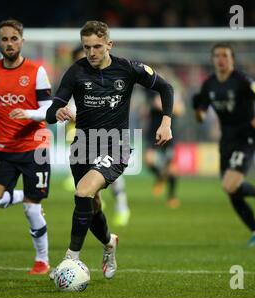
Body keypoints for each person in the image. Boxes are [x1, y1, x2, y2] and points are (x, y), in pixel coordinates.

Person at [45, 21, 174, 279]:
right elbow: (51, 111)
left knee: (82, 192)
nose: (91, 52)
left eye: (97, 47)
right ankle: (109, 243)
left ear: (109, 45)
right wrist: (57, 111)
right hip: (82, 147)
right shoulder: (75, 72)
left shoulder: (127, 69)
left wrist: (166, 121)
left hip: (115, 146)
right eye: (86, 47)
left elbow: (166, 87)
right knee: (91, 206)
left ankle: (70, 260)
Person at [0, 19, 53, 274]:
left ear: (22, 41)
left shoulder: (36, 71)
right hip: (6, 147)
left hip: (36, 146)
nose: (9, 43)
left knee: (32, 211)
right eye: (4, 39)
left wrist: (30, 114)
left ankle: (42, 260)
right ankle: (28, 194)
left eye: (14, 38)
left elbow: (48, 108)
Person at [193, 43, 255, 247]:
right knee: (231, 190)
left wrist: (252, 125)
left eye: (225, 56)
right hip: (226, 140)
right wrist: (197, 109)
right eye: (217, 56)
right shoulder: (209, 84)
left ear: (232, 59)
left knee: (229, 184)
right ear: (212, 59)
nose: (221, 59)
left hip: (245, 139)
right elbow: (201, 116)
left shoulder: (242, 80)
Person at [63, 46, 132, 227]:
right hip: (84, 140)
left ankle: (122, 206)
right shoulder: (74, 82)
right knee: (89, 194)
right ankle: (105, 233)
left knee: (111, 176)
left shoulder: (106, 80)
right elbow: (66, 112)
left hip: (107, 138)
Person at [144, 68, 185, 208]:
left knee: (172, 168)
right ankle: (160, 176)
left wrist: (166, 106)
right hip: (152, 132)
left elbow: (181, 110)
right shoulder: (149, 92)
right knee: (149, 161)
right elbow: (150, 107)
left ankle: (171, 197)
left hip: (169, 133)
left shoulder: (171, 91)